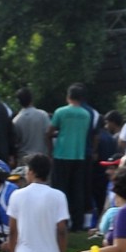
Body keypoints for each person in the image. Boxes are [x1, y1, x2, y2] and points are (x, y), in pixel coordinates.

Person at [5, 153, 69, 252]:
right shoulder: (59, 196)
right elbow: (62, 231)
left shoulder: (16, 195)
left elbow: (13, 231)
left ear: (31, 172)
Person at [46, 83, 92, 232]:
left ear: (68, 96)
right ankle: (77, 224)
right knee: (77, 190)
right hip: (79, 155)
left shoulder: (61, 112)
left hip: (61, 154)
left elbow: (50, 131)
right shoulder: (86, 114)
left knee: (60, 190)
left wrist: (51, 150)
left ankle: (60, 222)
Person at [12, 87, 50, 163]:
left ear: (18, 102)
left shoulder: (16, 121)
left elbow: (15, 141)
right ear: (32, 99)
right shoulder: (43, 115)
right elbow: (48, 135)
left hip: (24, 158)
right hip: (42, 158)